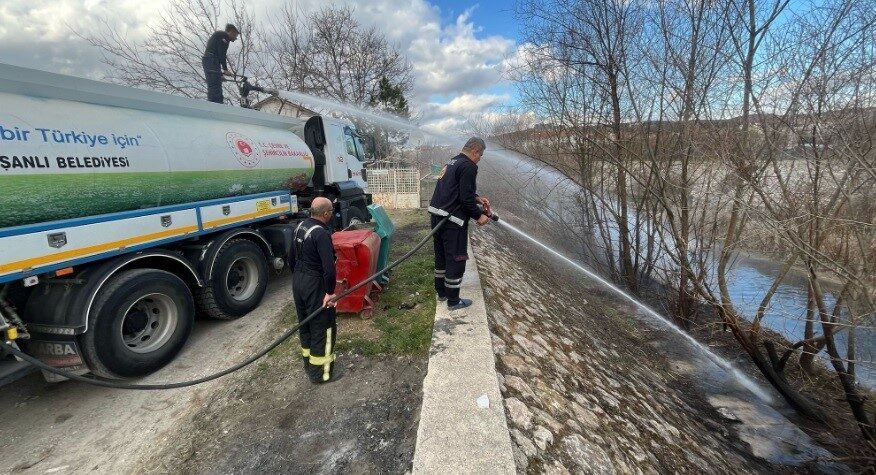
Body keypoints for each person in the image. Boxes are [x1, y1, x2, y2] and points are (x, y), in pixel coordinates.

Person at [428, 137, 492, 310]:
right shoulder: (469, 167)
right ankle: (454, 301)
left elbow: (455, 190)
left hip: (437, 217)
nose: (480, 159)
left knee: (441, 257)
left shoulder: (453, 162)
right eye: (480, 155)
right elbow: (465, 200)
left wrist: (476, 197)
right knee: (456, 260)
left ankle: (441, 293)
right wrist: (479, 216)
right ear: (475, 151)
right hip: (452, 222)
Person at [290, 197, 339, 383]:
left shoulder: (300, 227)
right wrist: (329, 292)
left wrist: (298, 279)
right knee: (323, 327)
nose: (331, 215)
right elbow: (329, 268)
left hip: (299, 281)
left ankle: (310, 366)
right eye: (331, 212)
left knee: (306, 324)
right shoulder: (320, 233)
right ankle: (322, 374)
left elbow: (291, 258)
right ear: (325, 213)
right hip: (314, 284)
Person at [202, 24, 239, 104]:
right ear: (232, 32)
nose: (236, 38)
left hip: (211, 61)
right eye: (235, 36)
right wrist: (225, 70)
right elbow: (221, 54)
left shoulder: (221, 36)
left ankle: (214, 104)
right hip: (211, 59)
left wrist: (220, 75)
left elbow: (219, 55)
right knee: (215, 86)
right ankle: (216, 106)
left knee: (215, 84)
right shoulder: (224, 36)